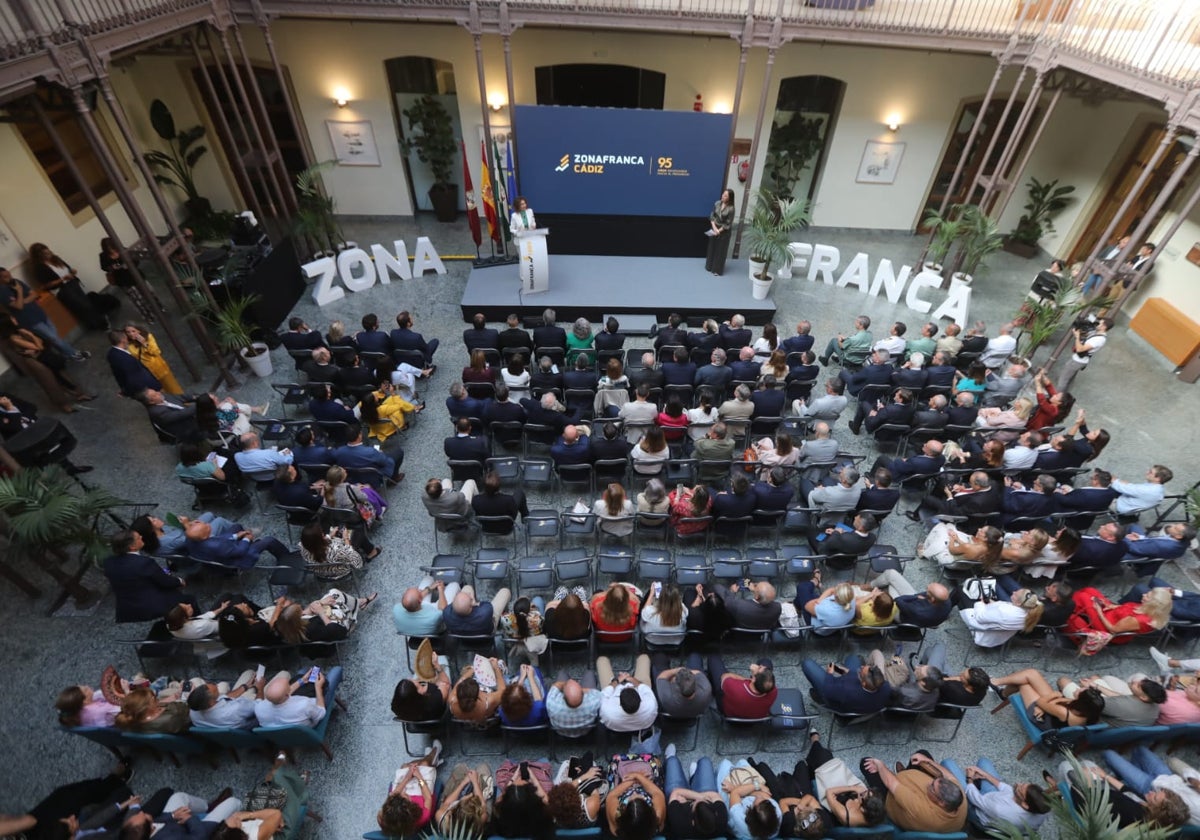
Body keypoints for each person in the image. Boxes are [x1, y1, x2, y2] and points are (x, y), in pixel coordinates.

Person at [860, 752, 967, 833]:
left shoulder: (923, 812)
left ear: (941, 803)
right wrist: (928, 761)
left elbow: (891, 784)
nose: (928, 784)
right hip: (906, 787)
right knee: (922, 754)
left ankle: (899, 774)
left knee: (866, 763)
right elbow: (949, 776)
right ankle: (904, 772)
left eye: (932, 787)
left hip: (892, 797)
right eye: (933, 781)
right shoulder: (958, 795)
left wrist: (880, 765)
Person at [103, 529, 193, 623]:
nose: (141, 537)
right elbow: (165, 582)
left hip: (128, 606)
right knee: (189, 600)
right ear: (132, 546)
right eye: (138, 538)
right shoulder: (143, 563)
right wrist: (179, 580)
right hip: (150, 604)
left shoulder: (108, 562)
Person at [991, 668, 1105, 727]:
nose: (1079, 688)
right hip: (1051, 709)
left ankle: (1002, 693)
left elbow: (1042, 701)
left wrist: (1046, 703)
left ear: (1081, 702)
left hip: (1043, 718)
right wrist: (1049, 703)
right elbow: (1062, 700)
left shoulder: (1065, 712)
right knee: (1031, 674)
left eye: (1081, 691)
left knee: (1023, 684)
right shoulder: (1085, 710)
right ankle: (997, 683)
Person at [376, 741, 444, 837]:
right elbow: (428, 798)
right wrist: (419, 777)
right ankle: (434, 753)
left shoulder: (382, 818)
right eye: (406, 797)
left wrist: (407, 777)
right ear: (409, 808)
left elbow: (392, 795)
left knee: (406, 766)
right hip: (423, 794)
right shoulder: (422, 817)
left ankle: (429, 757)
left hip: (404, 799)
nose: (405, 793)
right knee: (424, 764)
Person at [1066, 585, 1172, 644]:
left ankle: (1066, 604)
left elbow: (1113, 629)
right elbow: (1125, 608)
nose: (1144, 594)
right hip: (1112, 614)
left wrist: (1099, 611)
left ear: (1152, 604)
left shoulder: (1139, 620)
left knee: (1084, 597)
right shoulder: (1147, 608)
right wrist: (1110, 606)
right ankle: (1073, 604)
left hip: (1106, 626)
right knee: (1089, 590)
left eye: (1147, 596)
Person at [607, 753, 667, 840]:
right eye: (642, 799)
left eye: (630, 800)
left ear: (624, 815)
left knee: (615, 761)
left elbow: (612, 795)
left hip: (624, 787)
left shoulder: (616, 819)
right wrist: (639, 777)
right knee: (654, 762)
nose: (635, 794)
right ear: (650, 814)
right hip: (645, 785)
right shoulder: (657, 817)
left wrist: (631, 780)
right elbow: (657, 793)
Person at [959, 588, 1043, 648]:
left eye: (1015, 594)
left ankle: (946, 610)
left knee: (960, 591)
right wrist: (991, 603)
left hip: (980, 630)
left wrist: (980, 603)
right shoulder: (1030, 614)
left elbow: (979, 617)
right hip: (999, 638)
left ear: (1018, 603)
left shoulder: (1004, 611)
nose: (1013, 592)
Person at [493, 759, 556, 839]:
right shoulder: (544, 823)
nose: (520, 778)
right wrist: (534, 780)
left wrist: (513, 779)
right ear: (533, 799)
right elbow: (547, 802)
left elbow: (498, 801)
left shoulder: (499, 820)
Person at [598, 653, 657, 731]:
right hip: (643, 726)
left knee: (601, 660)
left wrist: (618, 680)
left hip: (616, 728)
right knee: (644, 657)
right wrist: (630, 679)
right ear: (641, 699)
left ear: (619, 703)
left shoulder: (606, 710)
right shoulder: (650, 704)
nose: (627, 685)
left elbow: (606, 691)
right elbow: (643, 686)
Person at [434, 763, 493, 836]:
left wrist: (464, 783)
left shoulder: (441, 816)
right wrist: (475, 782)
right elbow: (483, 805)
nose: (469, 795)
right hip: (480, 812)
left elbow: (447, 803)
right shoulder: (480, 820)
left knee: (460, 767)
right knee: (483, 767)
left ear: (453, 809)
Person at [122, 322, 181, 394]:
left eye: (133, 331)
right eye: (128, 332)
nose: (131, 334)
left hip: (159, 368)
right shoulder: (129, 346)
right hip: (148, 374)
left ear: (139, 330)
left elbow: (156, 352)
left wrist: (145, 344)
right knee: (161, 394)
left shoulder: (148, 337)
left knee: (173, 389)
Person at [1056, 316, 1112, 392]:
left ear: (1104, 327)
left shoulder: (1099, 339)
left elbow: (1080, 349)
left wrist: (1077, 336)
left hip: (1077, 361)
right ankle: (1065, 398)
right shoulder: (1097, 333)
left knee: (1063, 380)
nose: (1097, 324)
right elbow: (1086, 336)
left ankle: (1057, 398)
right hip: (1080, 360)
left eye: (1100, 323)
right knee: (1069, 380)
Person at [299, 521, 368, 578]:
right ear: (320, 540)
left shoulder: (302, 546)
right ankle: (369, 555)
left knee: (341, 532)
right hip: (339, 570)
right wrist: (346, 538)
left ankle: (371, 550)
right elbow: (356, 560)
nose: (323, 534)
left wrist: (330, 536)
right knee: (359, 534)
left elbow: (316, 545)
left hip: (321, 572)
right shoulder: (336, 550)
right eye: (322, 535)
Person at [545, 673, 602, 738]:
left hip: (561, 732)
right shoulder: (594, 702)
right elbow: (595, 692)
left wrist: (567, 684)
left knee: (562, 672)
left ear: (562, 696)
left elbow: (555, 686)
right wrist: (579, 690)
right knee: (589, 674)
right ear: (583, 695)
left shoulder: (552, 703)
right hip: (585, 731)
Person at [114, 686, 190, 733]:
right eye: (153, 698)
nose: (155, 698)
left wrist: (174, 696)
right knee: (195, 681)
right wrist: (187, 695)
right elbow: (187, 709)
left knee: (167, 692)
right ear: (148, 707)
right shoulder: (171, 717)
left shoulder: (134, 721)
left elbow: (134, 706)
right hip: (187, 717)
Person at [706, 187, 736, 275]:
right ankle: (709, 266)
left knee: (720, 251)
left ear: (730, 198)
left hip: (724, 232)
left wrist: (719, 231)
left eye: (726, 196)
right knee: (712, 248)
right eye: (723, 194)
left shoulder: (731, 209)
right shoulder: (717, 203)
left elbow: (728, 223)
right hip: (715, 228)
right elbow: (712, 216)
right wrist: (714, 227)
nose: (723, 196)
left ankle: (717, 270)